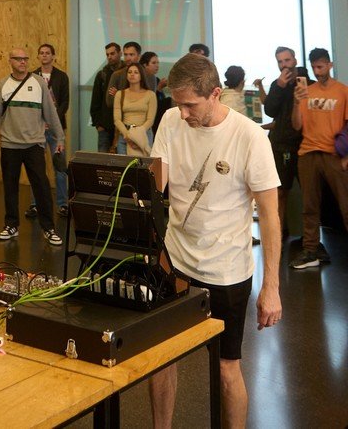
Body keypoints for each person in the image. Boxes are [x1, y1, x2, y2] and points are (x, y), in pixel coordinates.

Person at [149, 53, 282, 429]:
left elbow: (270, 217)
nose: (183, 113)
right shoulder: (171, 120)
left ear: (215, 94)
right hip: (175, 260)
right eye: (177, 103)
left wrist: (270, 288)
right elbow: (156, 184)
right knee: (162, 359)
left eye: (190, 104)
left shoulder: (250, 137)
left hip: (226, 270)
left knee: (227, 370)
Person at [0, 46, 64, 246]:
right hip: (10, 144)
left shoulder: (38, 83)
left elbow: (51, 113)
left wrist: (60, 138)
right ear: (10, 61)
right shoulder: (3, 85)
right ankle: (11, 225)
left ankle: (49, 228)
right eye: (18, 59)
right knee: (10, 187)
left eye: (25, 59)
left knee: (42, 187)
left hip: (34, 144)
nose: (22, 62)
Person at [290, 47, 348, 269]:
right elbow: (297, 125)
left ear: (330, 65)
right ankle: (311, 250)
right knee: (310, 206)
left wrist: (346, 157)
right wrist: (296, 102)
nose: (317, 70)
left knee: (346, 205)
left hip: (333, 154)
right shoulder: (306, 92)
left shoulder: (343, 91)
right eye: (314, 67)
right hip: (308, 153)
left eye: (321, 66)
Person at [263, 46, 309, 239]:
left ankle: (310, 240)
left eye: (287, 60)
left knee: (309, 194)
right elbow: (270, 110)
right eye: (280, 62)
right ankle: (278, 235)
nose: (284, 65)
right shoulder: (276, 84)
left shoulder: (308, 83)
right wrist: (280, 87)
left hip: (307, 143)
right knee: (281, 192)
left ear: (295, 59)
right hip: (282, 145)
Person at [26, 43, 70, 217]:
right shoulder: (32, 77)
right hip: (37, 129)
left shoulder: (61, 76)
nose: (44, 56)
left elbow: (65, 102)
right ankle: (35, 204)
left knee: (59, 166)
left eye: (47, 53)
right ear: (38, 56)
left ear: (53, 56)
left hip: (56, 129)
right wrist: (40, 120)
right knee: (36, 167)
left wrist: (52, 120)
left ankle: (62, 203)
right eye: (41, 53)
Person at [114, 62, 157, 156]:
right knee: (123, 168)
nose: (132, 74)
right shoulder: (120, 94)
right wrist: (127, 135)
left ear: (141, 75)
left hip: (144, 134)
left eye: (136, 72)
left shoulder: (150, 95)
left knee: (144, 167)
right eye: (129, 72)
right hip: (125, 135)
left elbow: (150, 120)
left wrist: (137, 135)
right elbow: (117, 119)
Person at [90, 41, 123, 152]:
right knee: (103, 161)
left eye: (112, 53)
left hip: (123, 125)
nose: (109, 57)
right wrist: (98, 124)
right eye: (107, 54)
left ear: (120, 53)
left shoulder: (128, 72)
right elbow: (95, 101)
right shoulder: (102, 75)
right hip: (104, 125)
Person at [140, 50, 171, 131]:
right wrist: (159, 88)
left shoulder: (156, 79)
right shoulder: (140, 80)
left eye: (158, 63)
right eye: (154, 63)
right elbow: (147, 101)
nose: (157, 66)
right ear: (145, 65)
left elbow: (160, 99)